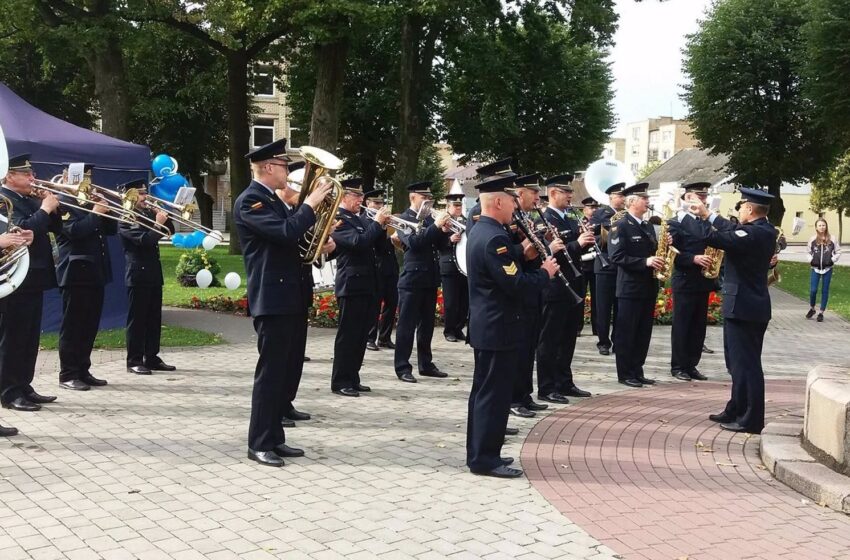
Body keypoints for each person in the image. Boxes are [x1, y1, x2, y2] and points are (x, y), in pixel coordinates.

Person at [233, 139, 335, 467]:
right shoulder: (251, 201)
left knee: (285, 372)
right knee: (270, 374)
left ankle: (276, 438)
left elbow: (293, 243)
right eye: (282, 166)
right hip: (272, 298)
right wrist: (312, 202)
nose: (287, 173)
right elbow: (288, 232)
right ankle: (259, 442)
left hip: (289, 295)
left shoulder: (273, 201)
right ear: (267, 168)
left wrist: (320, 243)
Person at [465, 173, 558, 478]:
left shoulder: (485, 231)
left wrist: (522, 252)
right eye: (512, 201)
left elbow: (499, 269)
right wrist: (545, 272)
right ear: (499, 202)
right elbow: (514, 284)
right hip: (498, 327)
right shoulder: (495, 237)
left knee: (488, 393)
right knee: (491, 395)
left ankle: (486, 452)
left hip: (492, 326)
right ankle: (483, 459)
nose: (515, 208)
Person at [689, 188, 778, 434]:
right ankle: (736, 408)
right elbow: (730, 231)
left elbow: (720, 239)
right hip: (744, 306)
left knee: (746, 364)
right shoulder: (760, 231)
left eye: (741, 207)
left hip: (745, 308)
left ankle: (751, 419)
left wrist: (701, 216)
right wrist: (709, 215)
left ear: (749, 209)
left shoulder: (756, 233)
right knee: (736, 363)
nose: (738, 210)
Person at [0, 154, 57, 416]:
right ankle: (9, 391)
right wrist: (44, 209)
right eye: (27, 174)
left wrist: (50, 206)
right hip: (15, 277)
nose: (33, 178)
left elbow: (53, 227)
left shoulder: (28, 199)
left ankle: (24, 384)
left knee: (30, 335)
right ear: (10, 176)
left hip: (34, 276)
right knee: (14, 336)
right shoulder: (4, 200)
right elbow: (18, 233)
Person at [55, 166, 117, 391]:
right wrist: (95, 212)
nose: (88, 182)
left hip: (95, 272)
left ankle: (83, 369)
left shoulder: (89, 201)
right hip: (75, 273)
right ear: (66, 179)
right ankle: (68, 374)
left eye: (89, 178)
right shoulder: (62, 203)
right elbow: (74, 231)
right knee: (73, 326)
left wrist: (106, 210)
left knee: (89, 324)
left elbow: (111, 230)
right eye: (83, 178)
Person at [535, 175, 594, 405]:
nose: (570, 195)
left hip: (573, 284)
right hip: (555, 287)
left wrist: (587, 240)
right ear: (552, 193)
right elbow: (548, 251)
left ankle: (564, 380)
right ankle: (546, 386)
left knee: (569, 336)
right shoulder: (544, 219)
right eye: (565, 191)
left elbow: (574, 251)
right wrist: (577, 243)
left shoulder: (570, 217)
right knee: (550, 338)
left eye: (570, 191)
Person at [329, 178, 389, 396]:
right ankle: (340, 380)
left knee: (361, 334)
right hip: (351, 284)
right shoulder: (339, 220)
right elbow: (358, 242)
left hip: (368, 283)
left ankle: (353, 377)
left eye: (361, 196)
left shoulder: (360, 219)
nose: (361, 200)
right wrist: (376, 224)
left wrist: (382, 226)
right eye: (357, 196)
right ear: (344, 197)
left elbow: (378, 246)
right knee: (348, 335)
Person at [506, 173, 556, 417]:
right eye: (534, 192)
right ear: (520, 193)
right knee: (519, 348)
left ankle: (525, 394)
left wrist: (544, 242)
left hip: (532, 291)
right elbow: (512, 255)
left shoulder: (525, 217)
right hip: (520, 289)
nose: (538, 197)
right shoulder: (509, 219)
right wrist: (530, 248)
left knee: (529, 347)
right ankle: (514, 399)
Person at [393, 181, 452, 383]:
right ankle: (402, 367)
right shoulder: (403, 219)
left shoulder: (428, 220)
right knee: (406, 327)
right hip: (412, 279)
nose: (427, 203)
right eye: (424, 199)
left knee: (426, 326)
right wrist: (436, 226)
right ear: (413, 198)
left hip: (429, 278)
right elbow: (415, 244)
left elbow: (440, 246)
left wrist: (445, 231)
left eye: (429, 200)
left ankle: (425, 364)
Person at [117, 179, 177, 375]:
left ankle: (151, 356)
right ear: (131, 196)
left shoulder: (148, 213)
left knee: (153, 317)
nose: (145, 198)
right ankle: (134, 360)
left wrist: (163, 217)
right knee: (138, 319)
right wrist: (157, 224)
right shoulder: (126, 218)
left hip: (152, 271)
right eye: (141, 194)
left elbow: (171, 231)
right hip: (137, 273)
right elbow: (144, 240)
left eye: (145, 193)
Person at [608, 182, 659, 388]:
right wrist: (644, 262)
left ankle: (638, 370)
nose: (647, 201)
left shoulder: (646, 226)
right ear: (632, 202)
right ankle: (625, 372)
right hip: (629, 287)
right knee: (627, 332)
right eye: (644, 198)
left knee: (643, 332)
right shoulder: (619, 225)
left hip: (648, 285)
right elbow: (616, 256)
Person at [667, 182, 714, 382]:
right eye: (699, 197)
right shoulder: (676, 222)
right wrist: (692, 258)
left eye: (704, 197)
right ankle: (678, 366)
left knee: (698, 327)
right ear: (687, 198)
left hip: (702, 280)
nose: (703, 200)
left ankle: (692, 364)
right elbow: (671, 252)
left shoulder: (706, 221)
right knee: (682, 325)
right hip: (685, 279)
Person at [589, 182, 626, 355]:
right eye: (620, 196)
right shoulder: (600, 213)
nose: (623, 199)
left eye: (624, 196)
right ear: (611, 197)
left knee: (620, 306)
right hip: (604, 264)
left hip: (622, 265)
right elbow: (594, 236)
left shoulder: (626, 215)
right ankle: (603, 342)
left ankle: (619, 340)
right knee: (603, 306)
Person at [365, 189, 400, 351]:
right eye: (376, 203)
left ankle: (385, 337)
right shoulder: (365, 220)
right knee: (374, 303)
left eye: (382, 203)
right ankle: (370, 337)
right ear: (368, 204)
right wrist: (381, 225)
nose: (380, 206)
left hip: (390, 264)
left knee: (392, 302)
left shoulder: (386, 220)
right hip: (376, 265)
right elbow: (372, 242)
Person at [437, 191, 468, 342]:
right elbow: (435, 243)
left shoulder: (466, 221)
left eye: (460, 205)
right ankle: (449, 330)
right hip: (449, 264)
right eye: (455, 206)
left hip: (463, 265)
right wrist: (449, 240)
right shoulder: (442, 222)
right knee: (451, 301)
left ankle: (459, 328)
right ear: (448, 207)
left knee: (464, 301)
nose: (458, 208)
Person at [806, 218, 840, 322]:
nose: (822, 227)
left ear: (826, 226)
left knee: (825, 290)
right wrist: (811, 260)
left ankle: (821, 312)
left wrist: (833, 259)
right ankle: (812, 308)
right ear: (816, 227)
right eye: (820, 225)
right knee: (813, 290)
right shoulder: (812, 239)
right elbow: (808, 252)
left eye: (823, 225)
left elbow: (838, 251)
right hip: (815, 268)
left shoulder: (832, 239)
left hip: (827, 268)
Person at [578, 197, 600, 336]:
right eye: (591, 207)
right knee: (580, 296)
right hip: (582, 263)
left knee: (597, 298)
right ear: (584, 209)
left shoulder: (600, 224)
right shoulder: (578, 223)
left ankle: (597, 328)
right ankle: (577, 327)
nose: (594, 210)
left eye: (596, 207)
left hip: (596, 264)